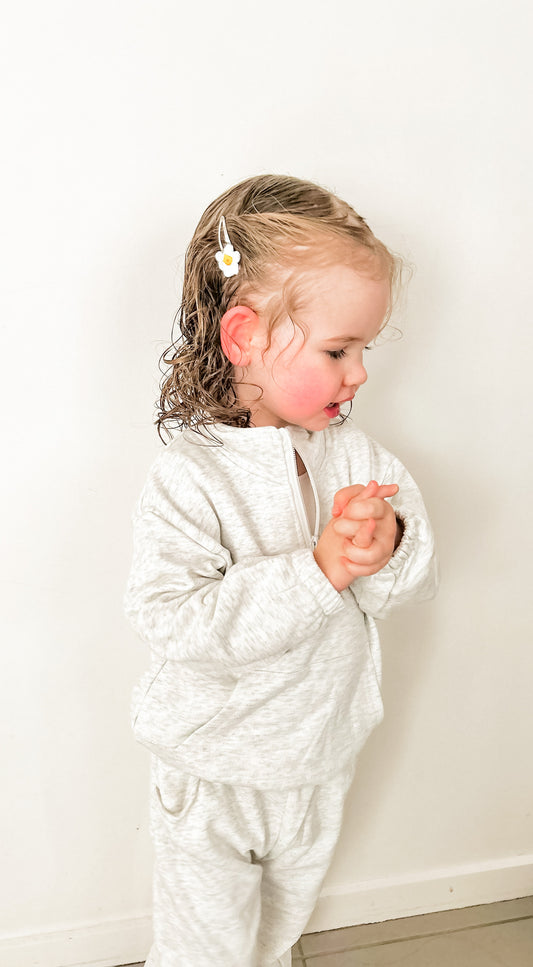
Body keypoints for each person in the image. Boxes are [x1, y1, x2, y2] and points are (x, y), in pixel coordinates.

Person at [124, 174, 438, 967]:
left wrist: (386, 544)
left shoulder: (356, 457)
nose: (359, 373)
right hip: (214, 772)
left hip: (316, 759)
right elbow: (173, 618)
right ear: (244, 337)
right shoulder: (190, 479)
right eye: (339, 350)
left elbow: (401, 589)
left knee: (271, 938)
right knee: (206, 952)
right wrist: (316, 569)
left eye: (363, 348)